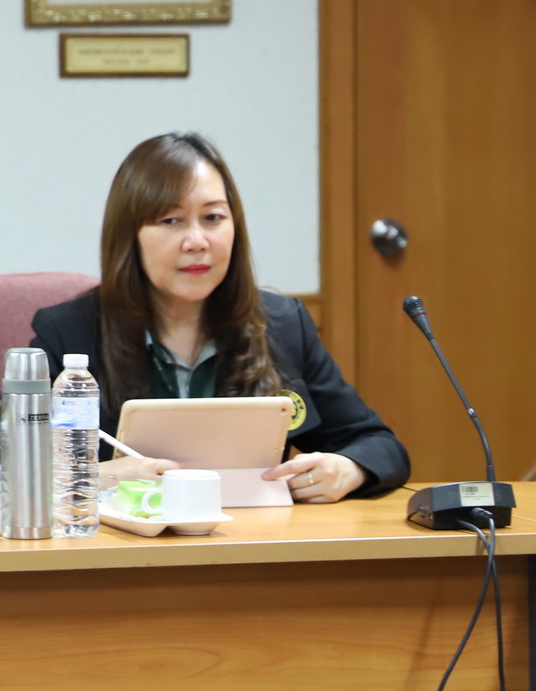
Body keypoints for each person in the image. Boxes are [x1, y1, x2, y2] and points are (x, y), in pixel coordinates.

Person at [29, 133, 408, 502]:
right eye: (171, 221)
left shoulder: (282, 325)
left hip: (253, 538)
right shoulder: (67, 335)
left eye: (212, 217)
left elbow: (378, 445)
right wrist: (96, 477)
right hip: (120, 539)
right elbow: (13, 466)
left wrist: (345, 469)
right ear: (130, 237)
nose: (197, 241)